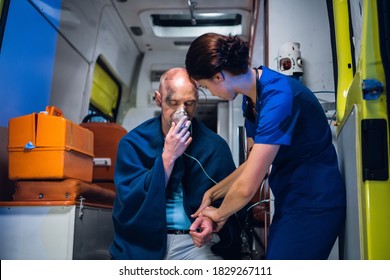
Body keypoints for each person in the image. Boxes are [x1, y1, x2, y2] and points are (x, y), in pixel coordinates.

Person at [186, 33, 346, 260]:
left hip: (314, 204)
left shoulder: (278, 97)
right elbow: (252, 164)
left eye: (205, 86)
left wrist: (218, 215)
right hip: (291, 203)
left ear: (219, 77)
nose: (211, 93)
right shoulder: (250, 99)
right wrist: (211, 194)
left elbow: (246, 187)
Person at [109, 67, 244, 260]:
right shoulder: (133, 143)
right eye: (173, 103)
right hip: (142, 241)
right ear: (158, 99)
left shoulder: (214, 146)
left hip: (194, 244)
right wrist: (168, 157)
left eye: (189, 104)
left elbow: (230, 201)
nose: (182, 112)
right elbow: (129, 201)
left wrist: (211, 222)